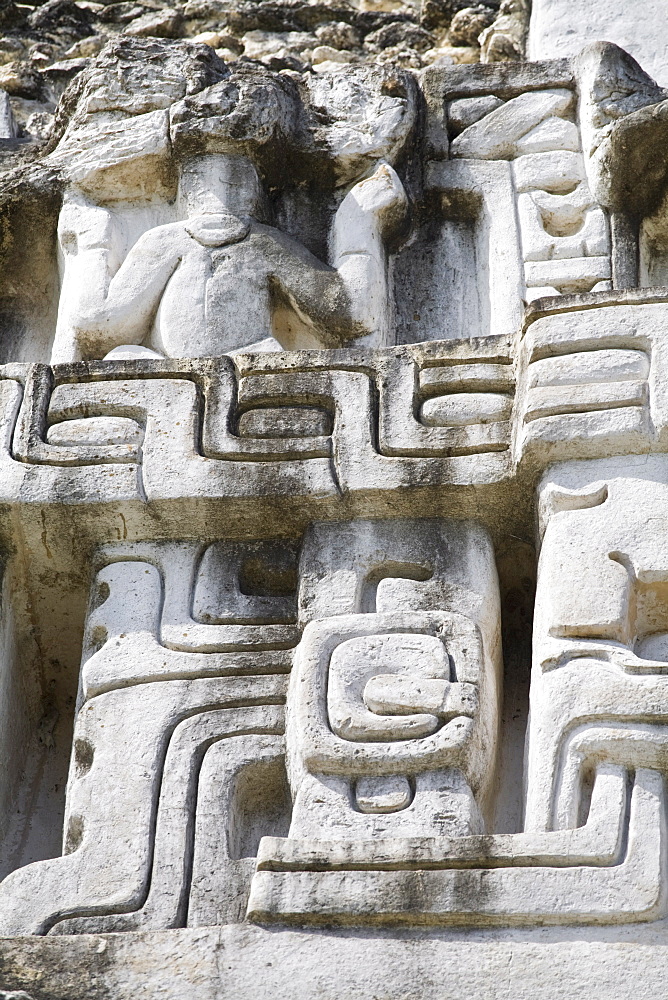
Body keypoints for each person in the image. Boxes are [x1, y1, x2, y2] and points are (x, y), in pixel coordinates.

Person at [51, 152, 407, 363]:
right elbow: (99, 323)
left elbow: (349, 313)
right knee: (120, 362)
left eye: (234, 186)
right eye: (205, 185)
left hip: (252, 365)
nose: (220, 197)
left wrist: (358, 223)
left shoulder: (265, 242)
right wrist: (92, 245)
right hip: (158, 369)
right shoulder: (164, 240)